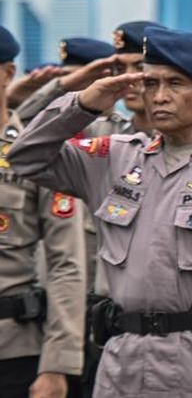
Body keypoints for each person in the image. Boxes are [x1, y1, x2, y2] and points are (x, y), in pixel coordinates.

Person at [7, 27, 192, 397]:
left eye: (176, 84)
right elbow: (23, 157)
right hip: (125, 364)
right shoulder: (111, 158)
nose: (160, 97)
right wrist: (82, 103)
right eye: (151, 83)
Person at [0, 25, 87, 398]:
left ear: (7, 73)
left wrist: (58, 364)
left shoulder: (34, 157)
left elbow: (66, 263)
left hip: (13, 349)